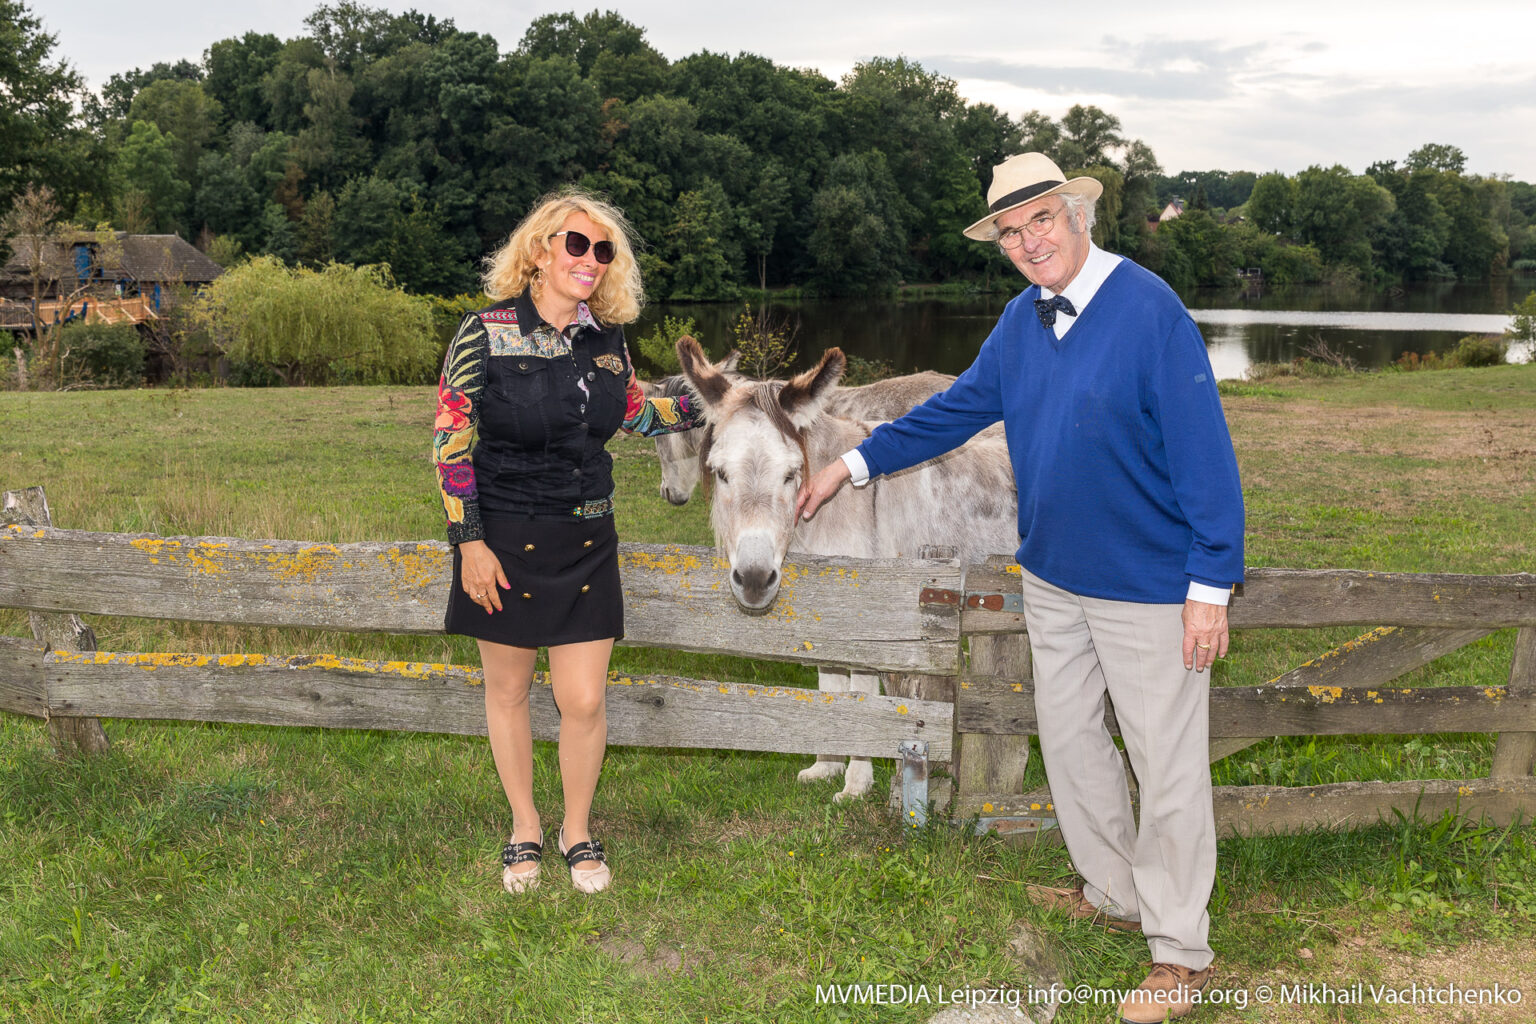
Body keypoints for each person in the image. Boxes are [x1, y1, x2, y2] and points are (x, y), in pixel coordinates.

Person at [796, 153, 1244, 1023]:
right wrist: (849, 465)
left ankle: (1179, 952)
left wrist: (1210, 586)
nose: (1029, 241)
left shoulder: (1149, 310)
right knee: (1072, 744)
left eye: (1041, 219)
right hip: (1054, 580)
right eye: (1010, 231)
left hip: (1148, 586)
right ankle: (1112, 891)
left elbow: (1205, 453)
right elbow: (952, 411)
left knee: (1165, 763)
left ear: (1077, 215)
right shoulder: (1021, 319)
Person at [434, 188, 701, 895]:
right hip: (505, 538)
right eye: (577, 244)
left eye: (603, 249)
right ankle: (524, 826)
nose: (591, 259)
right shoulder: (484, 332)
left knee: (582, 699)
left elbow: (638, 414)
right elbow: (450, 442)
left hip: (587, 536)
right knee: (509, 691)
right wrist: (469, 542)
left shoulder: (606, 339)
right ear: (539, 252)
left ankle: (575, 830)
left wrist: (719, 397)